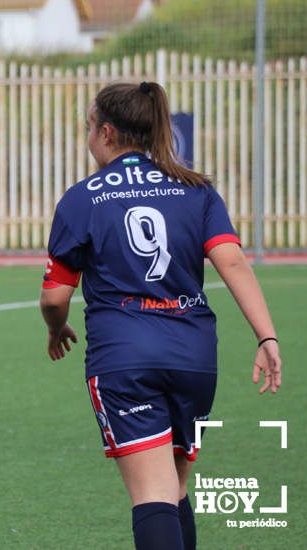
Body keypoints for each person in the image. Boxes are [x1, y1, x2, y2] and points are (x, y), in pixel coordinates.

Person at [39, 81, 282, 550]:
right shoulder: (197, 189)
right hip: (195, 357)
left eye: (89, 128)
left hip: (125, 358)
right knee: (173, 487)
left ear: (106, 133)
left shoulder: (83, 197)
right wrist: (267, 337)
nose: (88, 138)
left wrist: (56, 328)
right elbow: (231, 262)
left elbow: (54, 297)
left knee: (152, 495)